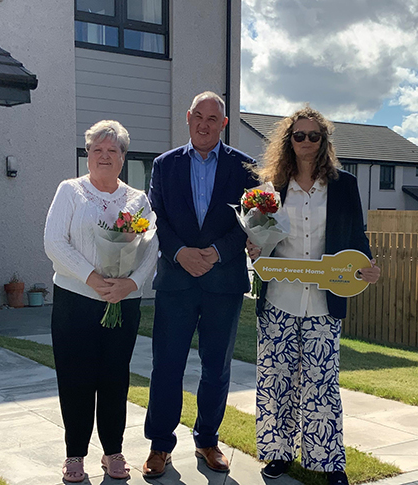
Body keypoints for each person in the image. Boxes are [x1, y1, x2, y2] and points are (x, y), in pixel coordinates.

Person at [247, 107, 380, 485]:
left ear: (324, 141)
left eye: (313, 136)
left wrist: (367, 264)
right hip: (279, 300)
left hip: (325, 300)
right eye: (298, 135)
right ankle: (278, 453)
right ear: (287, 141)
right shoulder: (270, 186)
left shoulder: (344, 185)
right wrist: (254, 248)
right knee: (276, 379)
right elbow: (258, 237)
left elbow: (357, 237)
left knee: (321, 383)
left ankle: (327, 461)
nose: (305, 142)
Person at [142, 91, 258, 477]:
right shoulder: (164, 165)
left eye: (214, 119)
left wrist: (217, 252)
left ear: (224, 124)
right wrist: (180, 253)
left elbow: (252, 221)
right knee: (167, 367)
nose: (205, 125)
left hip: (223, 283)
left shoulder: (245, 168)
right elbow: (156, 214)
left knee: (216, 368)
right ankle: (160, 446)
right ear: (188, 118)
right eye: (199, 117)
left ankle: (207, 439)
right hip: (177, 281)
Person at [44, 120, 158, 482]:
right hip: (75, 301)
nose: (105, 156)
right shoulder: (70, 191)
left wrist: (131, 283)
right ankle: (74, 454)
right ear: (88, 155)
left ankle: (113, 451)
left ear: (123, 157)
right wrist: (93, 279)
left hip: (123, 301)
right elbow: (54, 242)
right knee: (75, 379)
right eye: (98, 150)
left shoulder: (137, 199)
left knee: (114, 379)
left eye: (113, 150)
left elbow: (152, 247)